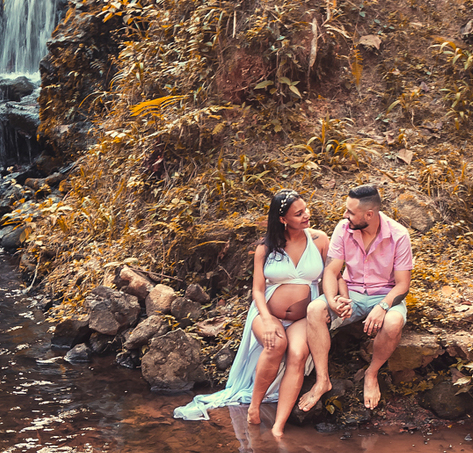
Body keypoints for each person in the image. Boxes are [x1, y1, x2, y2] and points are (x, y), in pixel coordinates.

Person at [174, 190, 330, 438]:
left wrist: (328, 305)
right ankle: (254, 407)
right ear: (283, 220)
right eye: (298, 213)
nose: (306, 215)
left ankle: (279, 425)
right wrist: (267, 319)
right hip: (267, 311)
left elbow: (330, 277)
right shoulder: (266, 247)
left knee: (298, 353)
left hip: (302, 318)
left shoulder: (320, 240)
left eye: (306, 209)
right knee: (275, 344)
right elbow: (258, 289)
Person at [300, 182, 412, 413]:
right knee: (315, 310)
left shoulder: (399, 235)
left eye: (350, 212)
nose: (345, 215)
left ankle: (371, 374)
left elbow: (403, 285)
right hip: (351, 293)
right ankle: (323, 380)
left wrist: (382, 306)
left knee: (392, 323)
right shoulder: (343, 229)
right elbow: (331, 271)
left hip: (385, 296)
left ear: (369, 214)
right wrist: (333, 300)